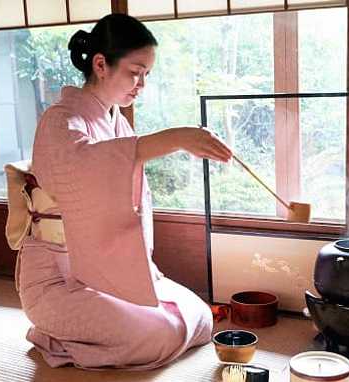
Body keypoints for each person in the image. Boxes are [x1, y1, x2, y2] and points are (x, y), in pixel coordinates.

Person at [13, 14, 232, 370]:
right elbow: (86, 166)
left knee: (198, 318)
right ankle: (52, 334)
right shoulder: (60, 120)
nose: (141, 84)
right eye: (135, 71)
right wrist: (175, 138)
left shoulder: (115, 122)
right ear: (101, 64)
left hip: (107, 273)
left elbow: (121, 183)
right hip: (58, 280)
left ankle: (96, 329)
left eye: (147, 74)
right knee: (158, 335)